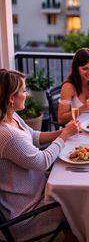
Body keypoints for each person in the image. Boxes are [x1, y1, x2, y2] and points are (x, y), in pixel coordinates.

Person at [0, 68, 80, 241]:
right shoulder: (7, 135)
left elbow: (35, 137)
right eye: (23, 90)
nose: (27, 94)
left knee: (75, 184)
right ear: (11, 98)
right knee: (77, 206)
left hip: (39, 190)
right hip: (26, 212)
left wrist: (64, 131)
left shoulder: (12, 117)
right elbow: (42, 161)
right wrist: (65, 135)